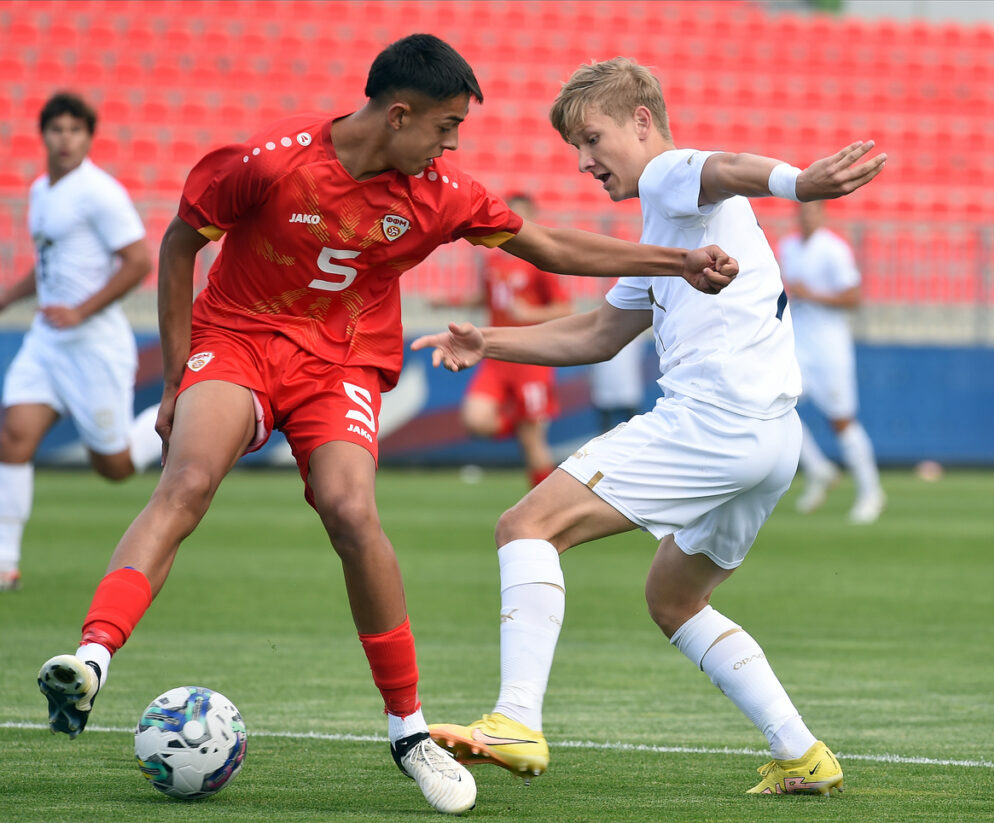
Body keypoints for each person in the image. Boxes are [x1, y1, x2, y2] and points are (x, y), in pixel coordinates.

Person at [35, 38, 737, 816]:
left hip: (340, 362)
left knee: (352, 511)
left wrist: (675, 261)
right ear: (398, 115)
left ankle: (408, 731)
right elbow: (179, 244)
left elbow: (552, 246)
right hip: (238, 339)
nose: (452, 145)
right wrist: (175, 376)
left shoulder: (441, 195)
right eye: (445, 126)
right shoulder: (269, 164)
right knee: (189, 479)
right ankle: (91, 657)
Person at [414, 57, 886, 797]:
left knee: (525, 526)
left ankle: (516, 719)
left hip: (713, 423)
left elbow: (727, 166)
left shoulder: (669, 174)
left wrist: (800, 183)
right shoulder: (665, 235)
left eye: (592, 139)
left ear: (640, 122)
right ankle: (802, 753)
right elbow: (598, 334)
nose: (583, 161)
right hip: (772, 442)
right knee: (675, 599)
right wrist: (488, 342)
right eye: (575, 148)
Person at [0, 92, 162, 593]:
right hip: (47, 342)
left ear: (89, 138)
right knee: (13, 437)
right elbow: (49, 264)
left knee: (114, 466)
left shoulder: (100, 193)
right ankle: (6, 562)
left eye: (75, 130)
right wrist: (7, 298)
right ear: (44, 135)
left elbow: (139, 261)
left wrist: (80, 310)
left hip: (94, 344)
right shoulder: (40, 190)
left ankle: (169, 421)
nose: (65, 139)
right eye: (57, 130)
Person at [777, 201, 885, 524]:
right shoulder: (788, 247)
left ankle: (871, 492)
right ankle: (818, 468)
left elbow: (853, 297)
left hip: (830, 347)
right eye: (802, 211)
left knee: (841, 420)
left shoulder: (834, 250)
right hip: (799, 343)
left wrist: (812, 294)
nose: (806, 217)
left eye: (813, 211)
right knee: (778, 405)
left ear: (823, 214)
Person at [457, 193, 573, 487]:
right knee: (475, 419)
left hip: (531, 357)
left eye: (522, 215)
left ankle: (547, 503)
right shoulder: (493, 261)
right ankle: (521, 424)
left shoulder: (541, 263)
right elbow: (487, 298)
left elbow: (565, 309)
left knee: (533, 443)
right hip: (496, 353)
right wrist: (447, 302)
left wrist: (530, 313)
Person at [589, 331, 646, 430]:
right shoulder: (598, 334)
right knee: (606, 429)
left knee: (635, 427)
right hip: (604, 387)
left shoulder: (633, 333)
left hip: (628, 387)